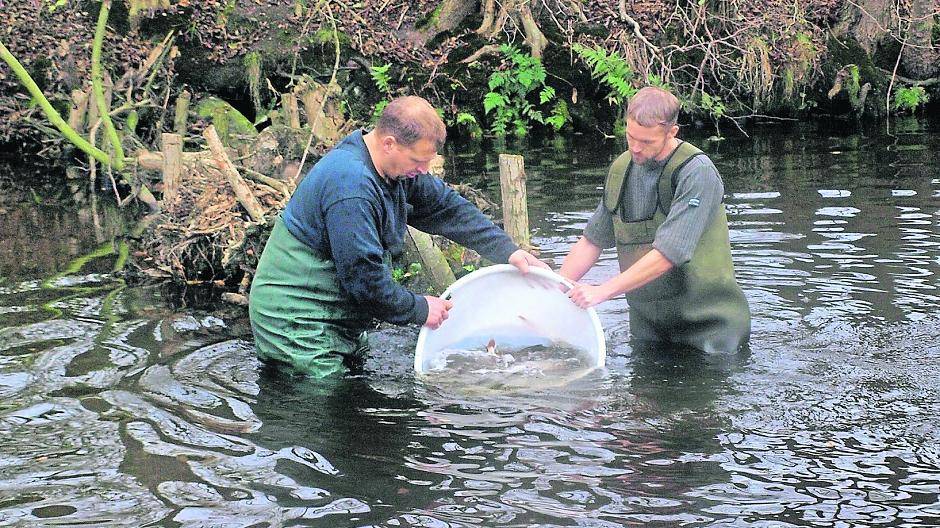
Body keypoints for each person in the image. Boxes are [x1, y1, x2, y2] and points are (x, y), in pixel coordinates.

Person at [249, 96, 547, 377]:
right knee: (329, 404)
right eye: (419, 161)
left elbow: (447, 208)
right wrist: (419, 308)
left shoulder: (394, 169)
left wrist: (508, 250)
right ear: (389, 143)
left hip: (336, 311)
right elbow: (363, 281)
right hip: (295, 319)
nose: (424, 170)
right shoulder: (351, 188)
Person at [559, 86, 750, 353]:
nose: (635, 149)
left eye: (646, 142)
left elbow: (669, 253)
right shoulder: (621, 169)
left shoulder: (697, 172)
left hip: (711, 329)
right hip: (648, 328)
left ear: (672, 133)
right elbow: (592, 241)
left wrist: (601, 291)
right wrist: (554, 289)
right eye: (630, 137)